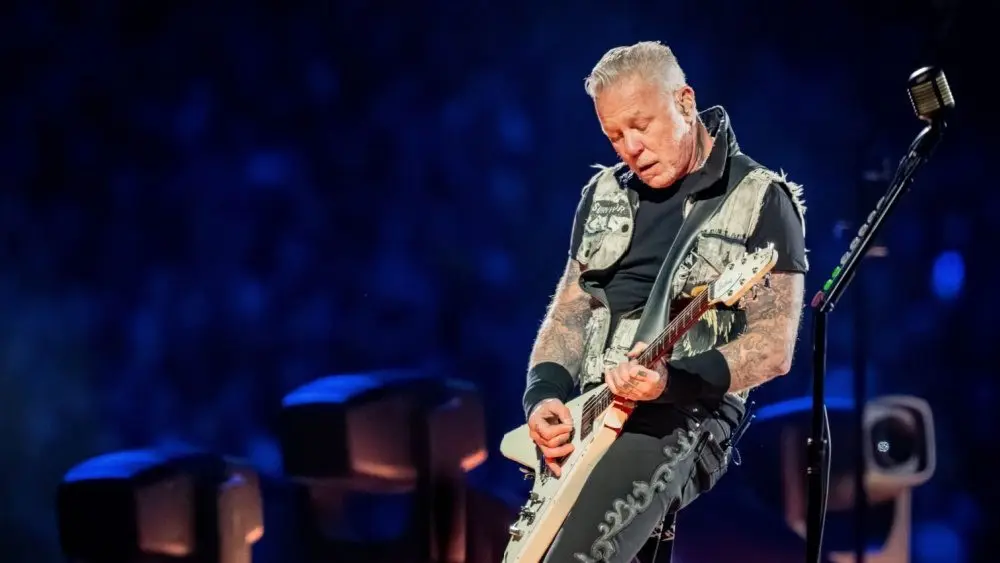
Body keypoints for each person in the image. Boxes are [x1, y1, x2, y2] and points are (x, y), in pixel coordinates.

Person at [520, 41, 809, 562]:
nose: (630, 146)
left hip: (684, 412)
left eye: (641, 124)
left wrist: (669, 381)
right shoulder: (602, 193)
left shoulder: (762, 198)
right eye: (614, 135)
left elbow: (774, 345)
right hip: (591, 409)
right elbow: (568, 311)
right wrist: (543, 395)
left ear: (685, 101)